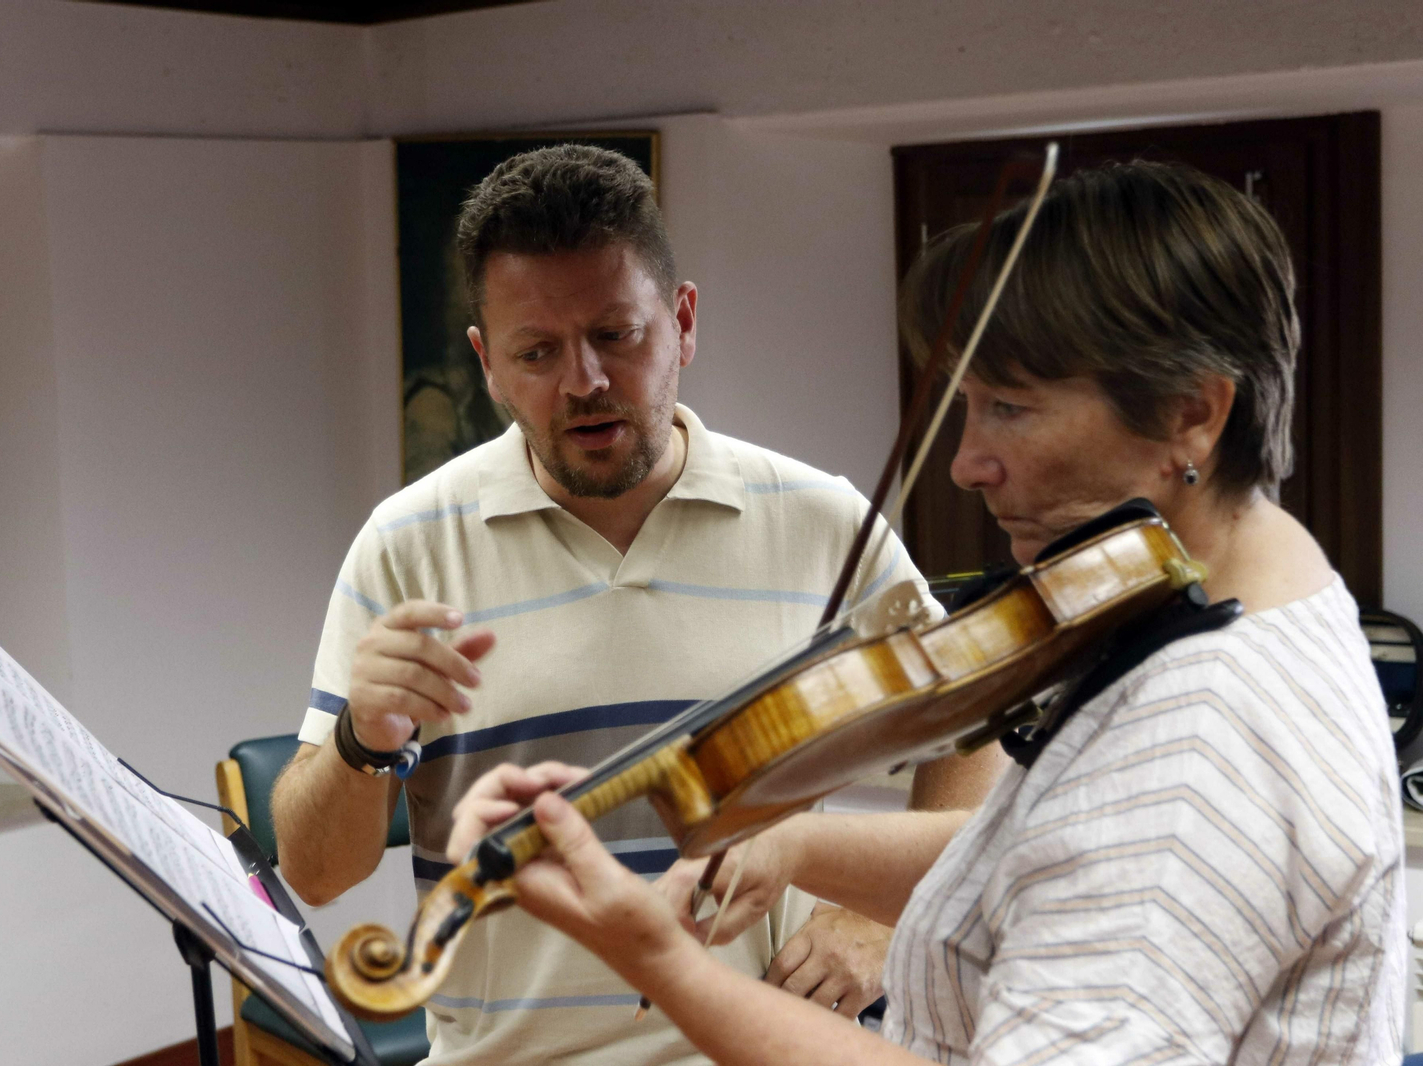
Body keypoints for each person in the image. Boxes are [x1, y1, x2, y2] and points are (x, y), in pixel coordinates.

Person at [448, 160, 1407, 1063]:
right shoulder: (1274, 599)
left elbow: (1144, 834)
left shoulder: (1198, 740)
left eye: (1011, 410)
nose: (965, 461)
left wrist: (657, 961)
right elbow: (1070, 859)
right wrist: (802, 843)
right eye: (966, 406)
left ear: (1194, 413)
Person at [271, 144, 1003, 1066]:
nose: (584, 381)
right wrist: (360, 741)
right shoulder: (407, 542)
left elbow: (969, 738)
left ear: (684, 321)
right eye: (536, 352)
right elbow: (315, 873)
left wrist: (881, 920)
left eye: (618, 335)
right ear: (485, 364)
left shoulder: (820, 522)